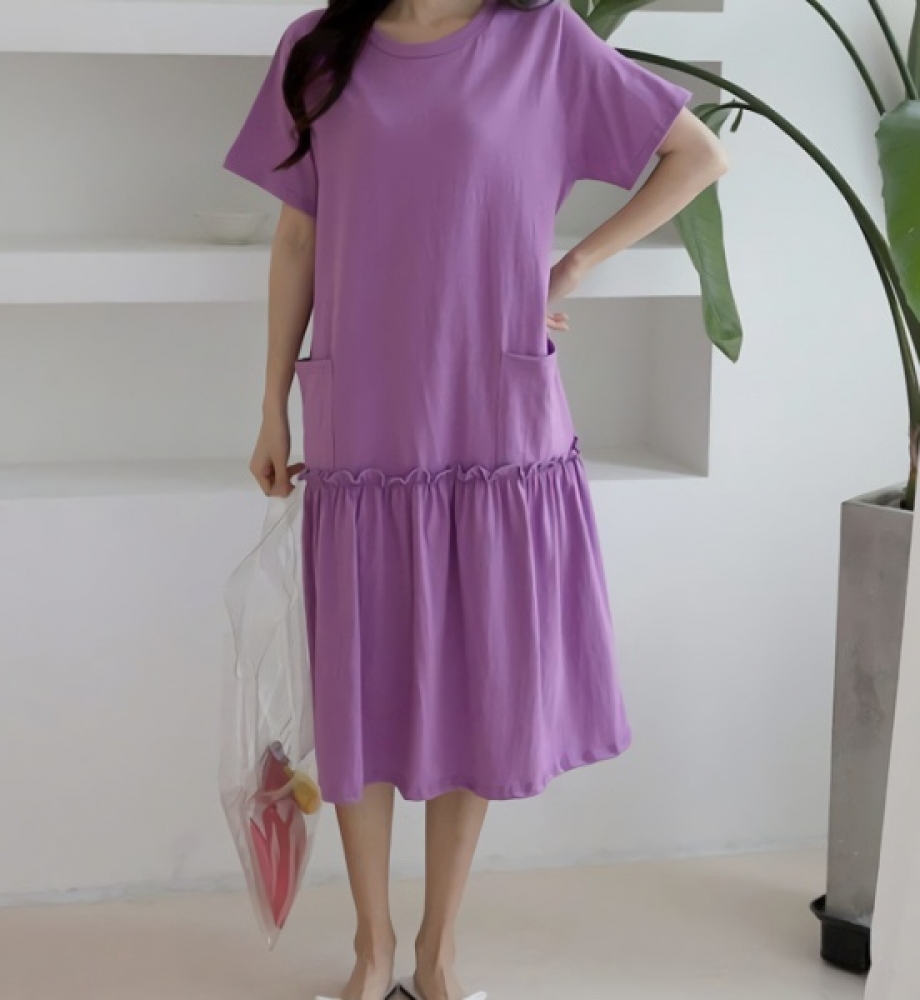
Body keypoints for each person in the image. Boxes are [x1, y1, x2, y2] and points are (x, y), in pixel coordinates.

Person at [224, 1, 727, 997]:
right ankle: (372, 949)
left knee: (474, 683)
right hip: (367, 407)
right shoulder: (319, 48)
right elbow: (296, 240)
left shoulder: (543, 38)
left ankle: (437, 952)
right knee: (362, 686)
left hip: (494, 412)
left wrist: (571, 265)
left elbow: (697, 155)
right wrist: (271, 404)